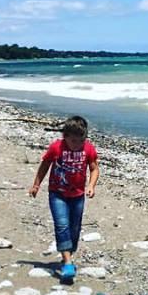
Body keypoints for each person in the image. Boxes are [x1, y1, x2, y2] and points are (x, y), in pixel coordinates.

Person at [28, 115, 100, 282]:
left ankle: (68, 253)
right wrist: (36, 185)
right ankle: (68, 263)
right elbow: (44, 166)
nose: (77, 145)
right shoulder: (56, 148)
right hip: (57, 193)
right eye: (73, 141)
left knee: (74, 228)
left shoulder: (88, 149)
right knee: (62, 224)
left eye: (80, 141)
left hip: (77, 196)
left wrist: (91, 185)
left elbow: (94, 168)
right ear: (65, 136)